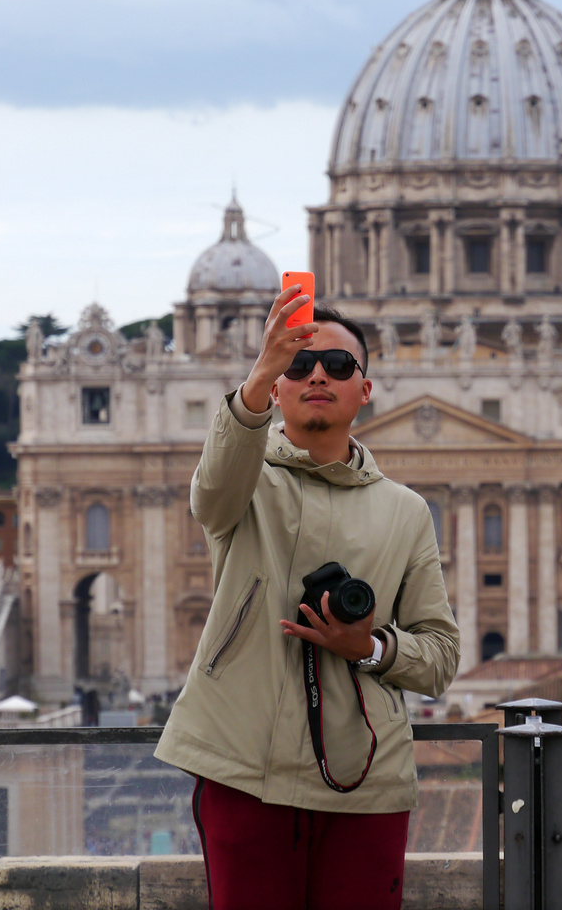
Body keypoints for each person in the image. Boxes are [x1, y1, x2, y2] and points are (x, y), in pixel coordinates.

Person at [155, 283, 460, 910]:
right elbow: (211, 490)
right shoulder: (240, 484)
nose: (318, 374)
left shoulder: (406, 512)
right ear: (277, 385)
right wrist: (258, 373)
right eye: (299, 364)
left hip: (365, 778)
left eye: (339, 365)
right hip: (246, 769)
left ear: (365, 390)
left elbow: (441, 656)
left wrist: (370, 646)